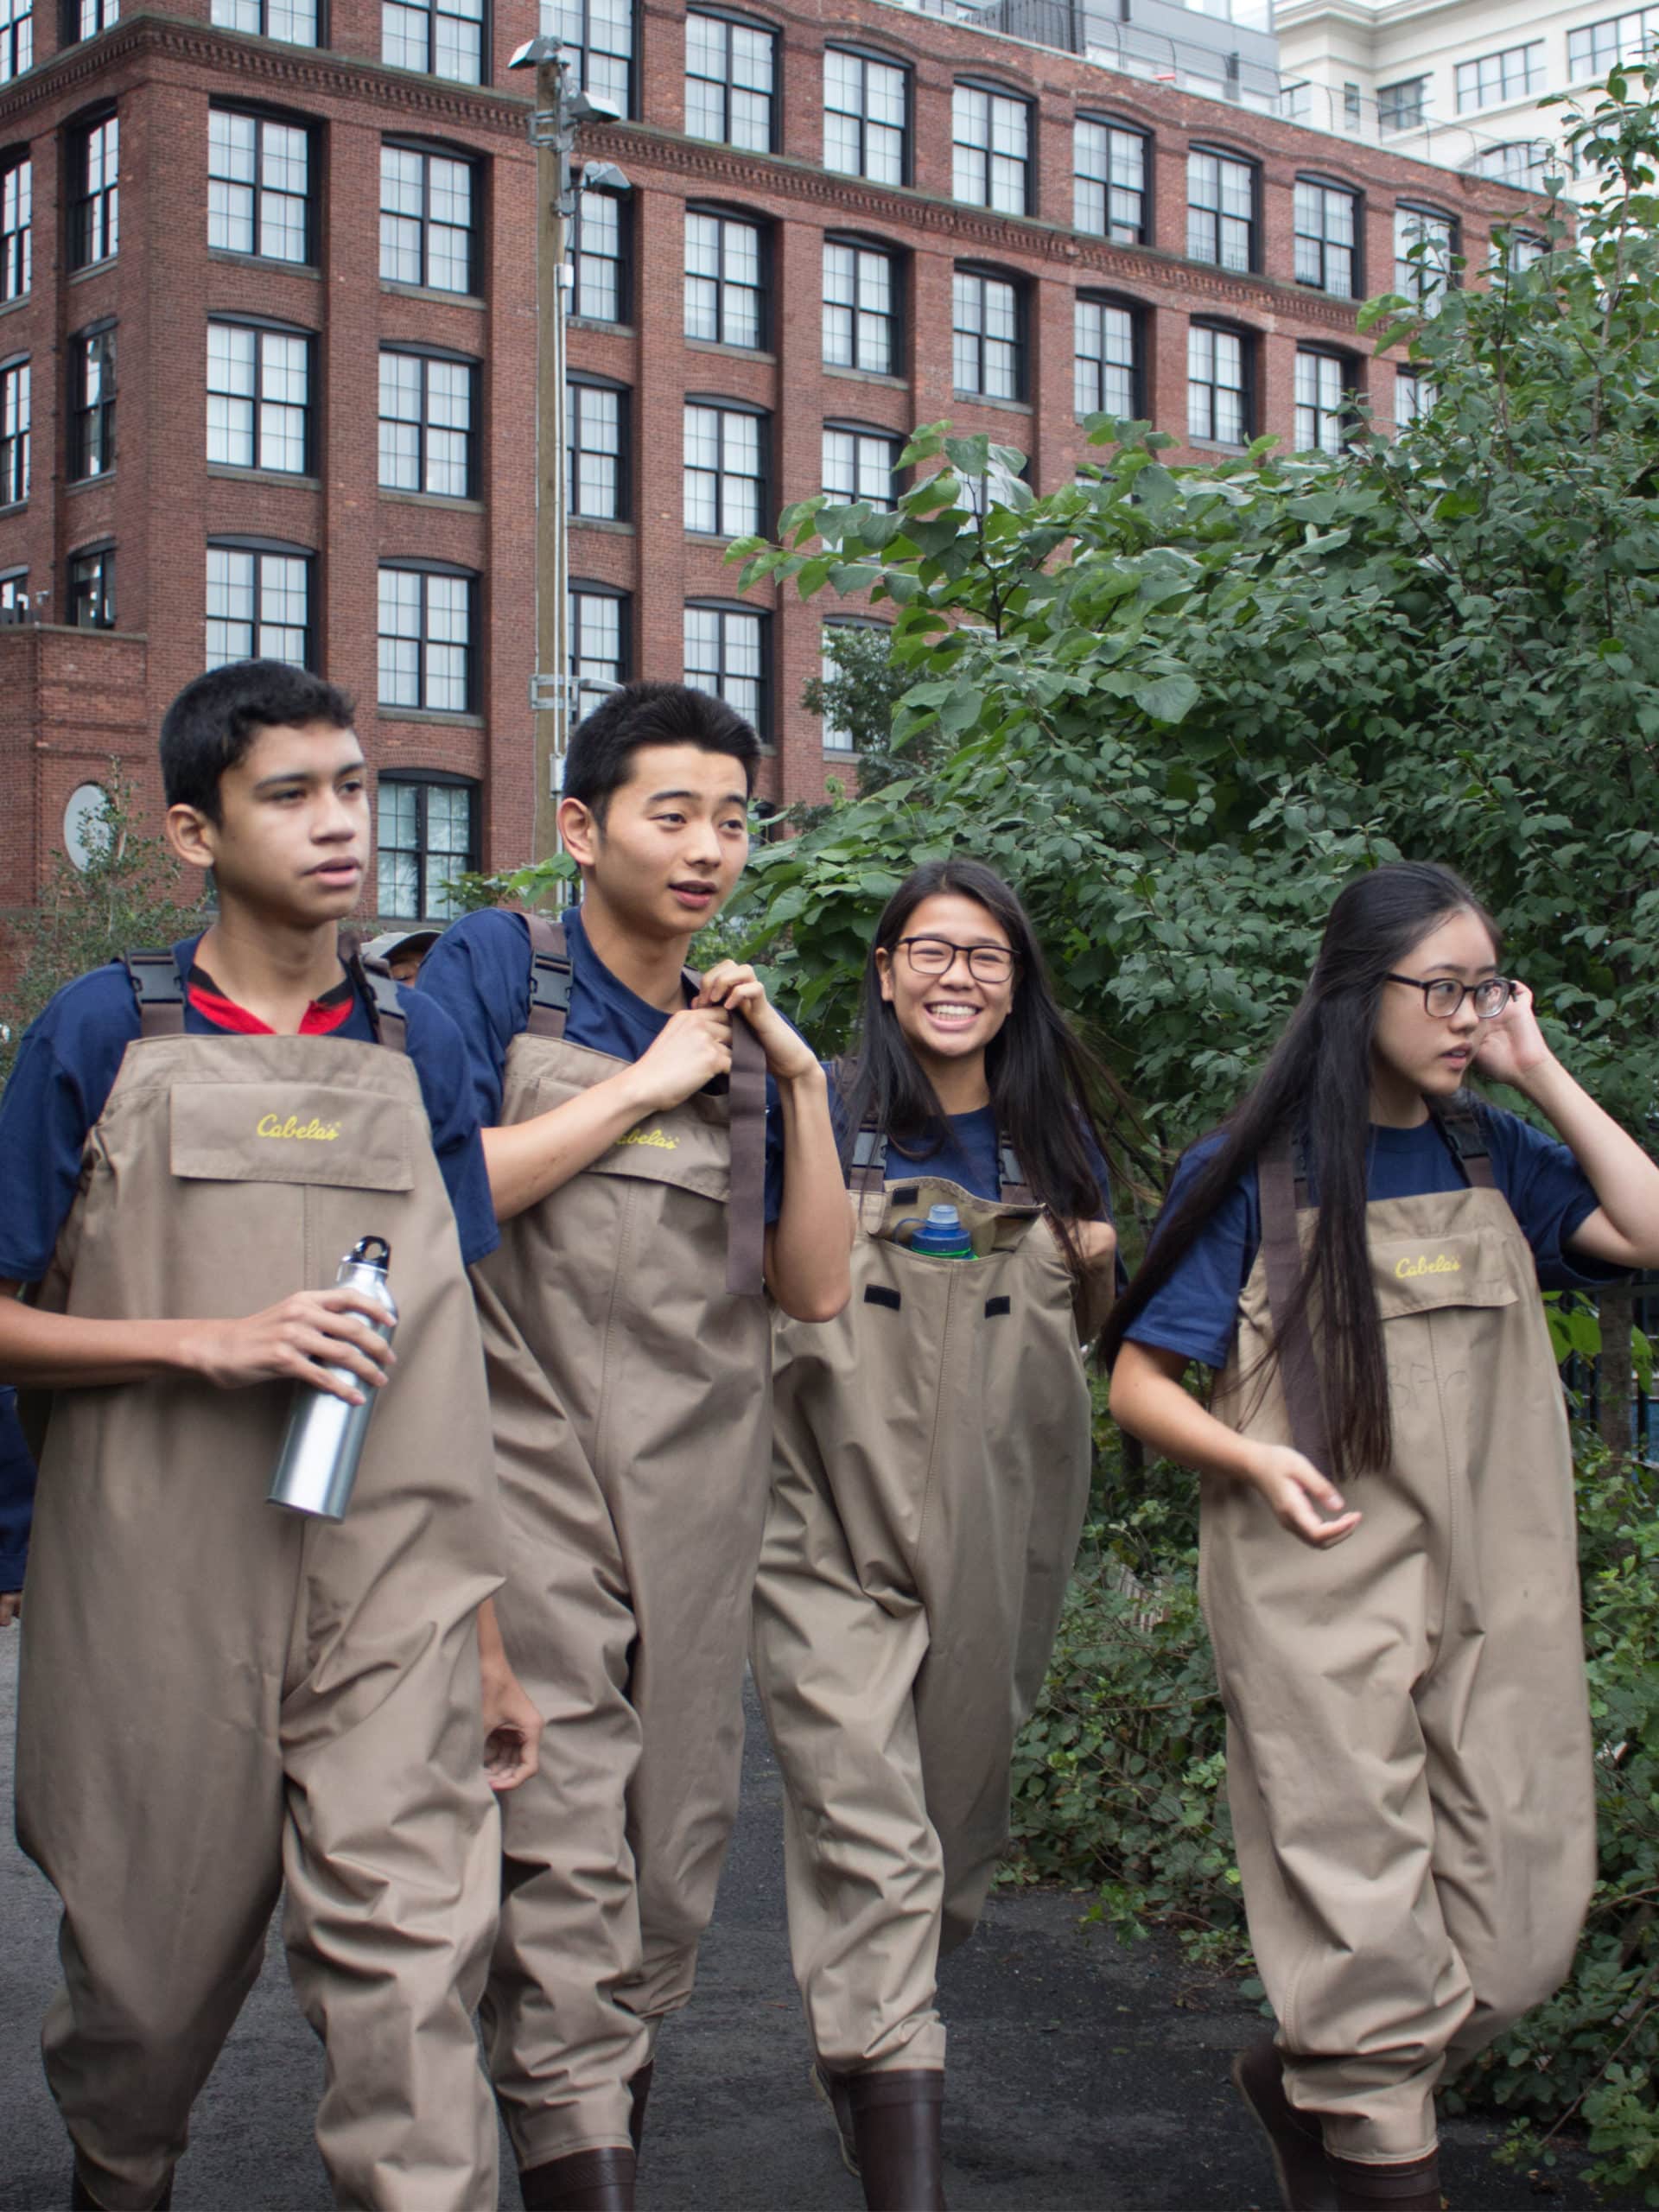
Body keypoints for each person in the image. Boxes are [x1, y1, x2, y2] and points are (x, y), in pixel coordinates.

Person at [0, 661, 541, 2212]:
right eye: (291, 795)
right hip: (155, 1587)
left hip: (392, 1590)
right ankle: (123, 2174)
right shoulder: (104, 1031)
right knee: (144, 2006)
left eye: (354, 787)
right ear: (192, 831)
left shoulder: (425, 1043)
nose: (339, 825)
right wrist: (203, 1340)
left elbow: (456, 1352)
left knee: (416, 1995)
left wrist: (489, 1635)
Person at [1103, 861, 1659, 2212]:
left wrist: (1539, 1068)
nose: (1472, 1015)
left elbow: (1647, 1228)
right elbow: (1134, 1382)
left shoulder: (1494, 1154)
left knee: (1528, 1920)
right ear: (1360, 993)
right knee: (1360, 1915)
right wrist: (1257, 1457)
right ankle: (1370, 2130)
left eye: (1489, 988)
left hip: (1501, 1583)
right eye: (1448, 991)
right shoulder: (1253, 1168)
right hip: (1320, 1576)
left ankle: (1312, 2083)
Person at [417, 680, 850, 2212]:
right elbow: (428, 1196)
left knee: (672, 1860)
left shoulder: (740, 1030)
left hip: (698, 1486)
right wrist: (645, 1087)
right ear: (580, 829)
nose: (710, 849)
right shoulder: (495, 970)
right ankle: (571, 2144)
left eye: (736, 820)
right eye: (673, 815)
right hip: (525, 1468)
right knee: (568, 1856)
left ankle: (586, 2107)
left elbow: (810, 1289)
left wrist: (789, 1078)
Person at [750, 859, 1119, 2211]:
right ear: (888, 968)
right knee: (872, 1831)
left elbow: (1097, 1331)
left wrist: (1095, 1257)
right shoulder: (819, 1117)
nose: (957, 977)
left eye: (987, 959)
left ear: (1014, 986)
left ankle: (865, 2057)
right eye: (932, 951)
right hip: (823, 1529)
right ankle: (904, 2154)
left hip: (1001, 1529)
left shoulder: (1047, 1132)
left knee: (953, 1840)